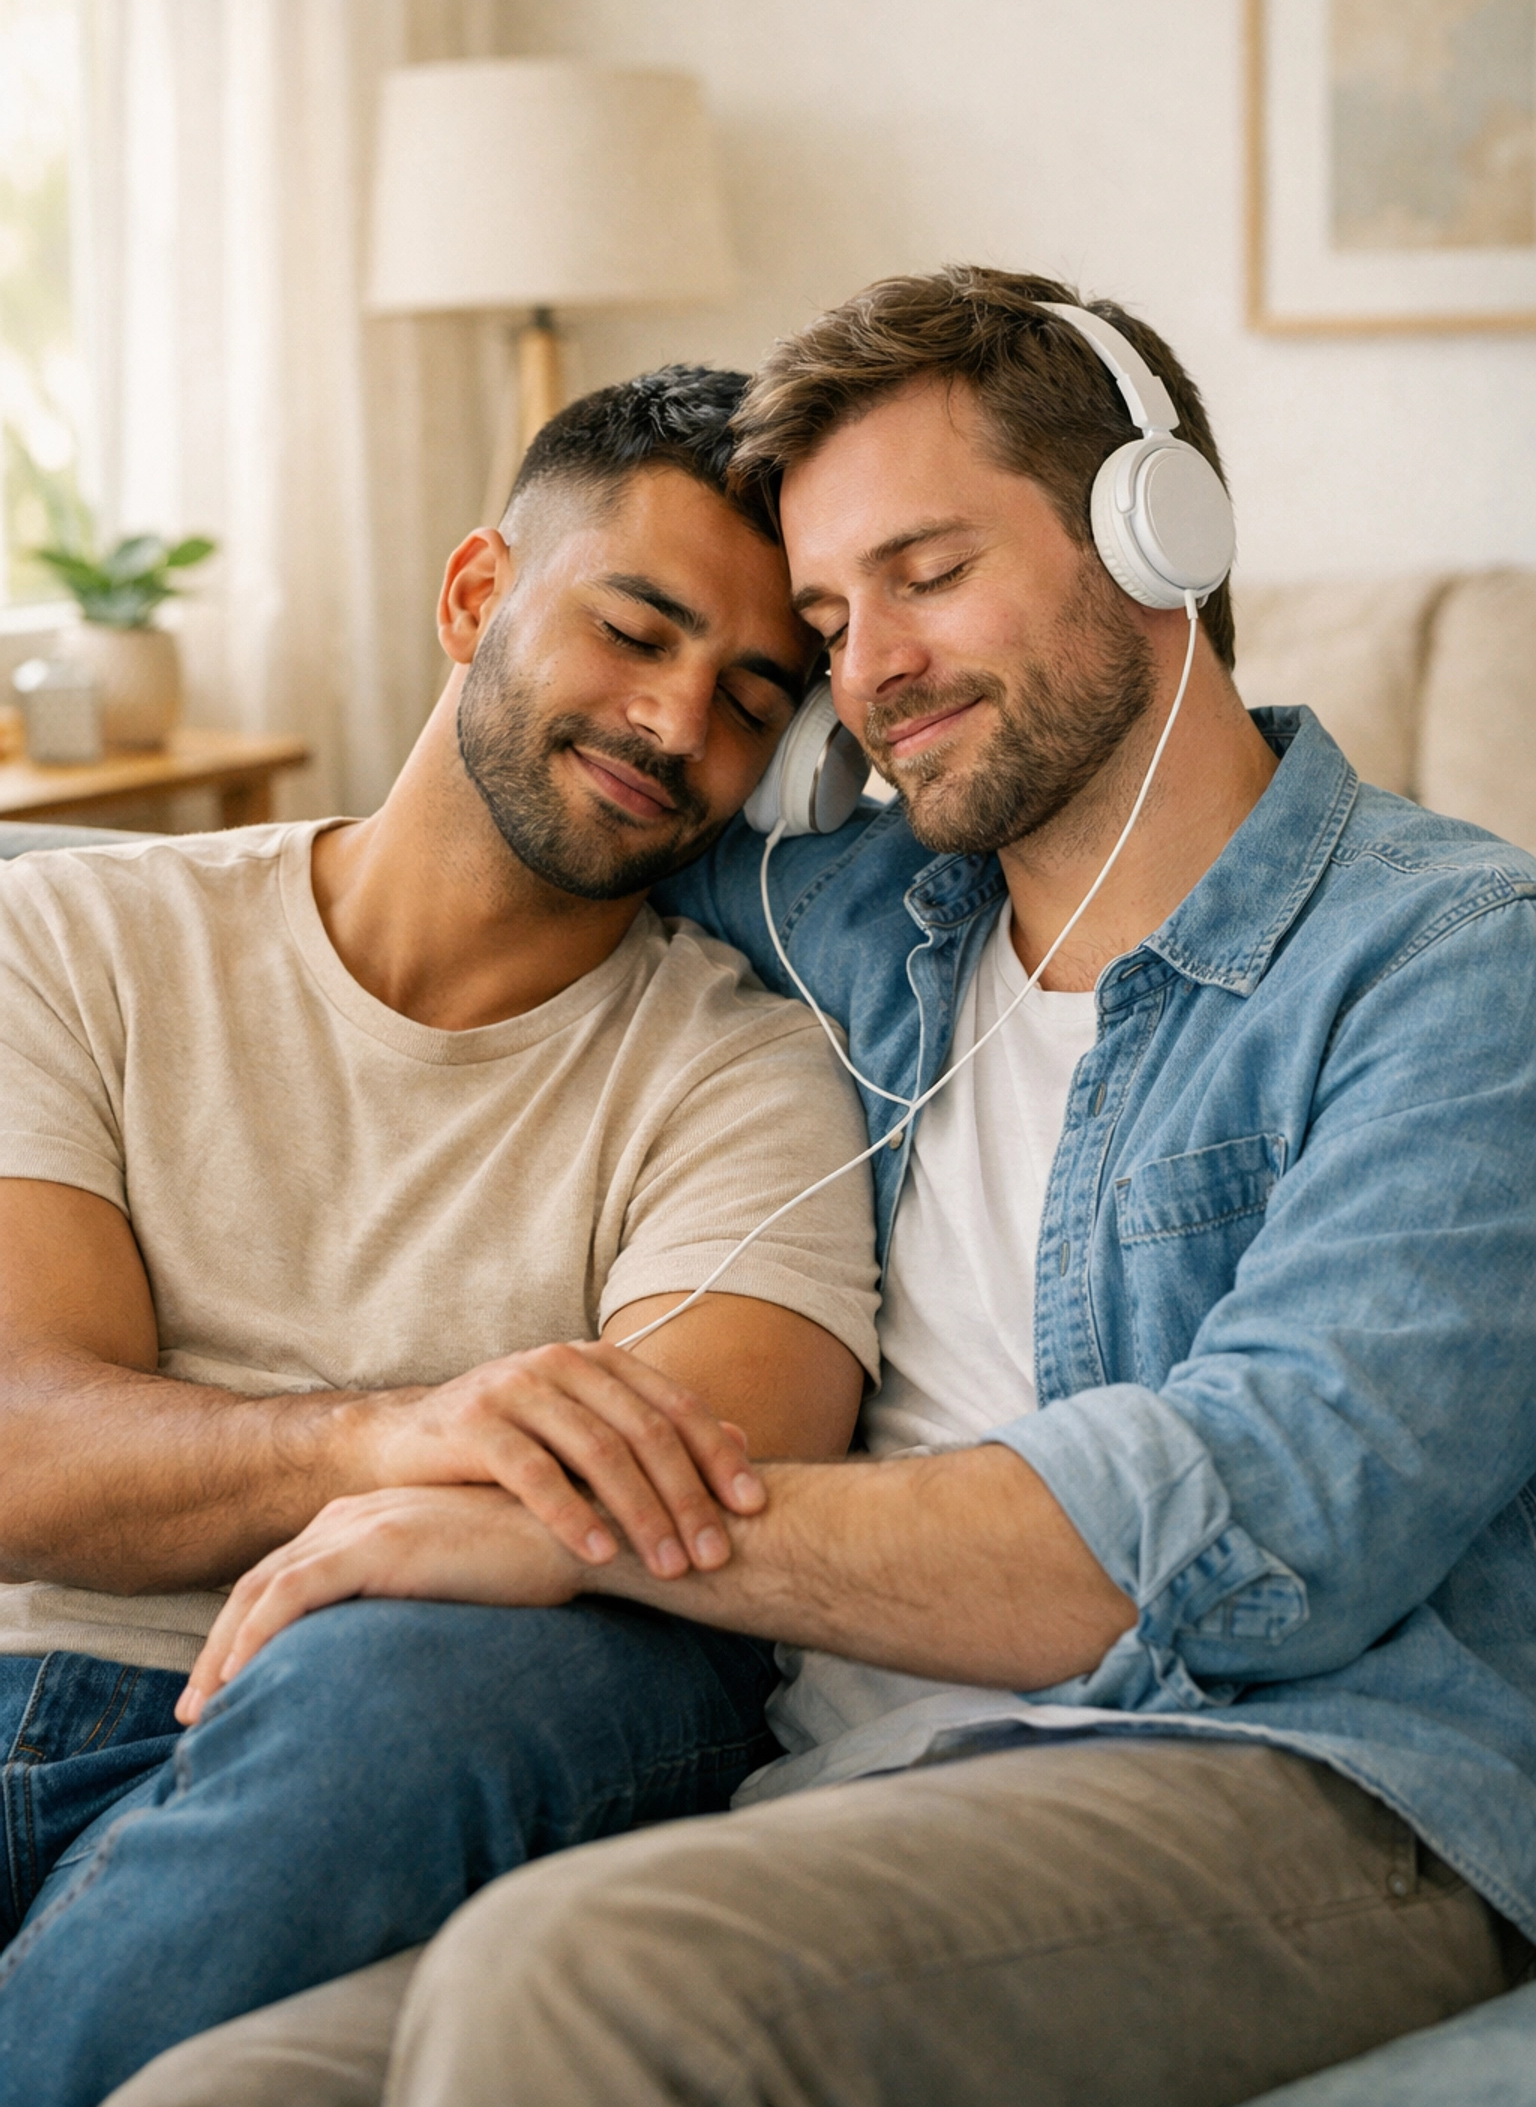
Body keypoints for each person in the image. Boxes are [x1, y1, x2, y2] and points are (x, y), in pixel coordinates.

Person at [111, 270, 1536, 2107]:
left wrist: (588, 1522)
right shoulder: (845, 919)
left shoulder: (1450, 965)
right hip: (839, 1794)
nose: (870, 675)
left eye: (928, 576)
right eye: (830, 618)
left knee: (583, 1983)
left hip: (1300, 1780)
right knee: (219, 2088)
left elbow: (1266, 1510)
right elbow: (517, 831)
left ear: (1157, 531)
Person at [0, 367, 883, 2107]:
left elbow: (694, 1488)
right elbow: (22, 1444)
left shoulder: (751, 1071)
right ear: (478, 593)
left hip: (415, 1720)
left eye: (748, 698)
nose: (673, 724)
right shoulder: (74, 932)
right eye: (634, 631)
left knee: (416, 1687)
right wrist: (393, 1433)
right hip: (35, 1689)